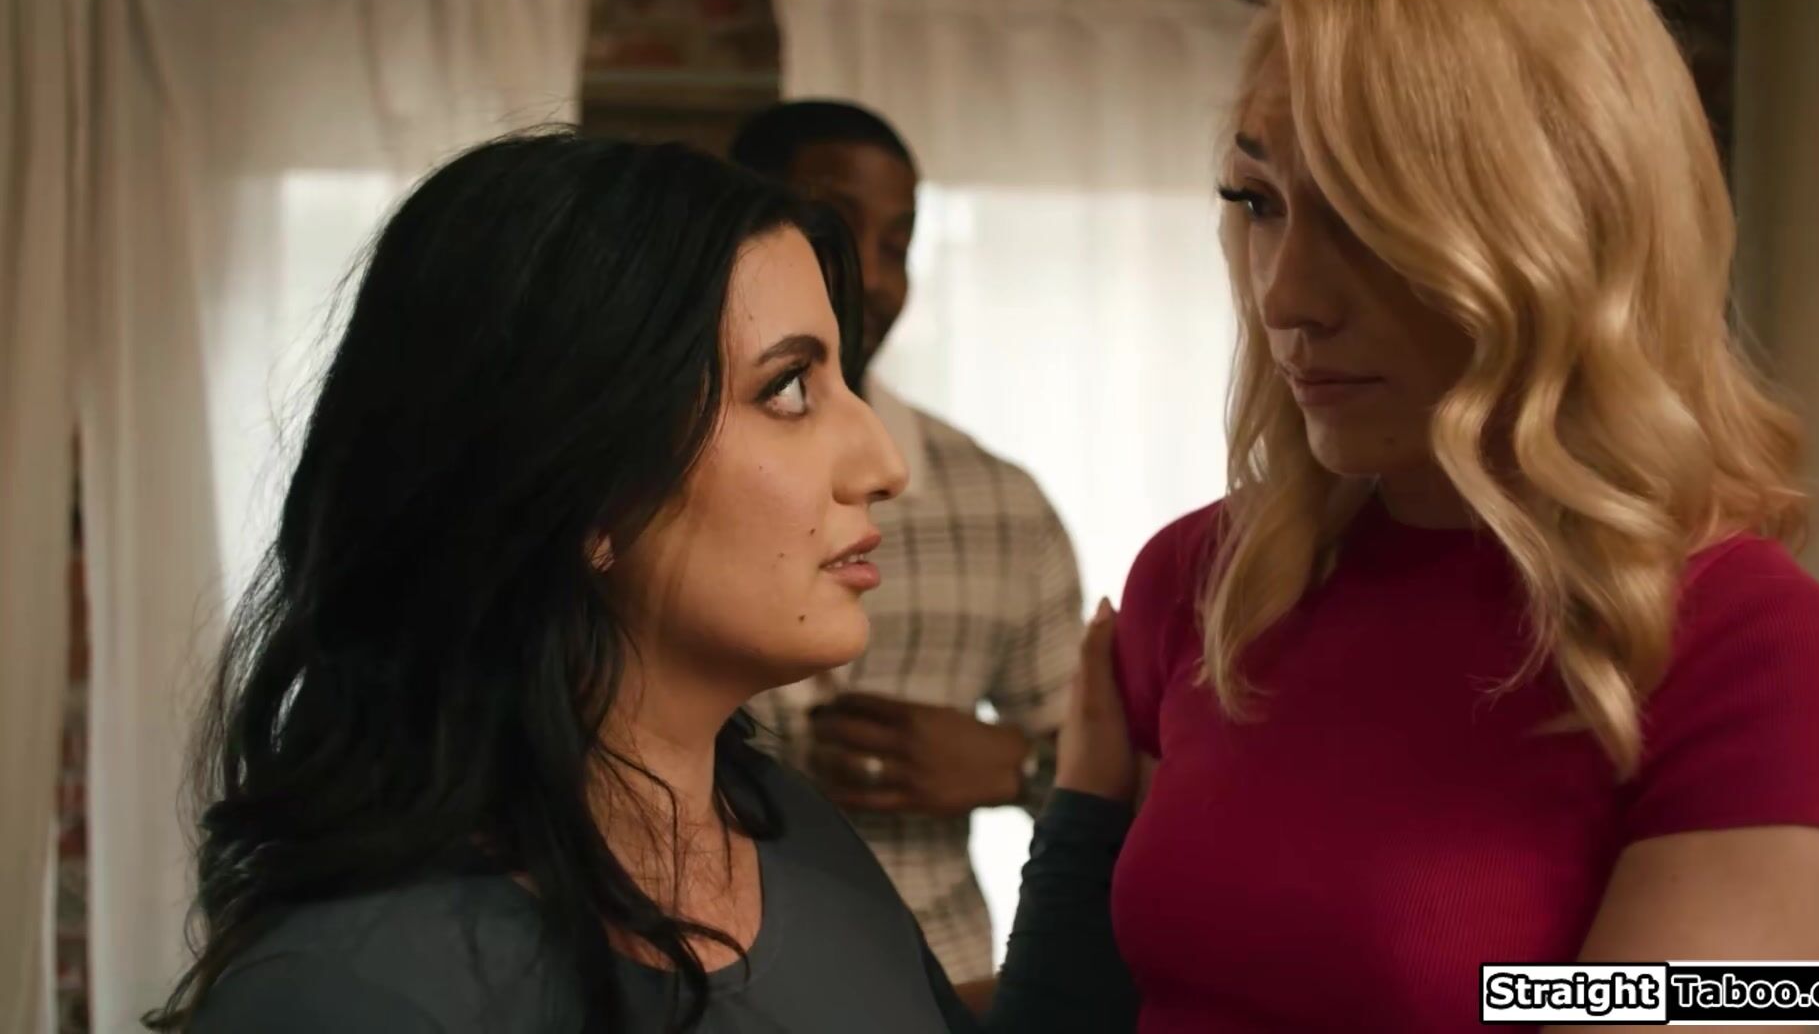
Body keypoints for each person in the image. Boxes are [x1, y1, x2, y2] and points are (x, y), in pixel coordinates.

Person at [142, 133, 1135, 1034]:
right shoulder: (358, 992)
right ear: (582, 488)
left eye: (844, 379)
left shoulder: (791, 833)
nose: (884, 462)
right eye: (790, 389)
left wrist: (1091, 811)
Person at [1104, 0, 1819, 1031]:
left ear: (1569, 227)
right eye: (1260, 202)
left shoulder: (1768, 661)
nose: (1284, 295)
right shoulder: (1202, 581)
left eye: (1368, 216)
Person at [729, 101, 1085, 998]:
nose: (874, 277)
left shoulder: (1004, 509)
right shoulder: (642, 486)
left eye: (898, 243)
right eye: (834, 224)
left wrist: (1014, 765)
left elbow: (1109, 787)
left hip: (941, 989)